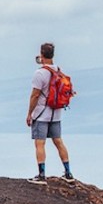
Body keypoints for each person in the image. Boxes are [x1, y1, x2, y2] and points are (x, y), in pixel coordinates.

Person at [26, 42, 73, 183]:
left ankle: (41, 175)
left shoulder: (40, 73)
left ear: (42, 55)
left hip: (41, 114)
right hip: (56, 113)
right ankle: (68, 173)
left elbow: (35, 95)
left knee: (40, 144)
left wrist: (30, 114)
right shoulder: (58, 71)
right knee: (58, 141)